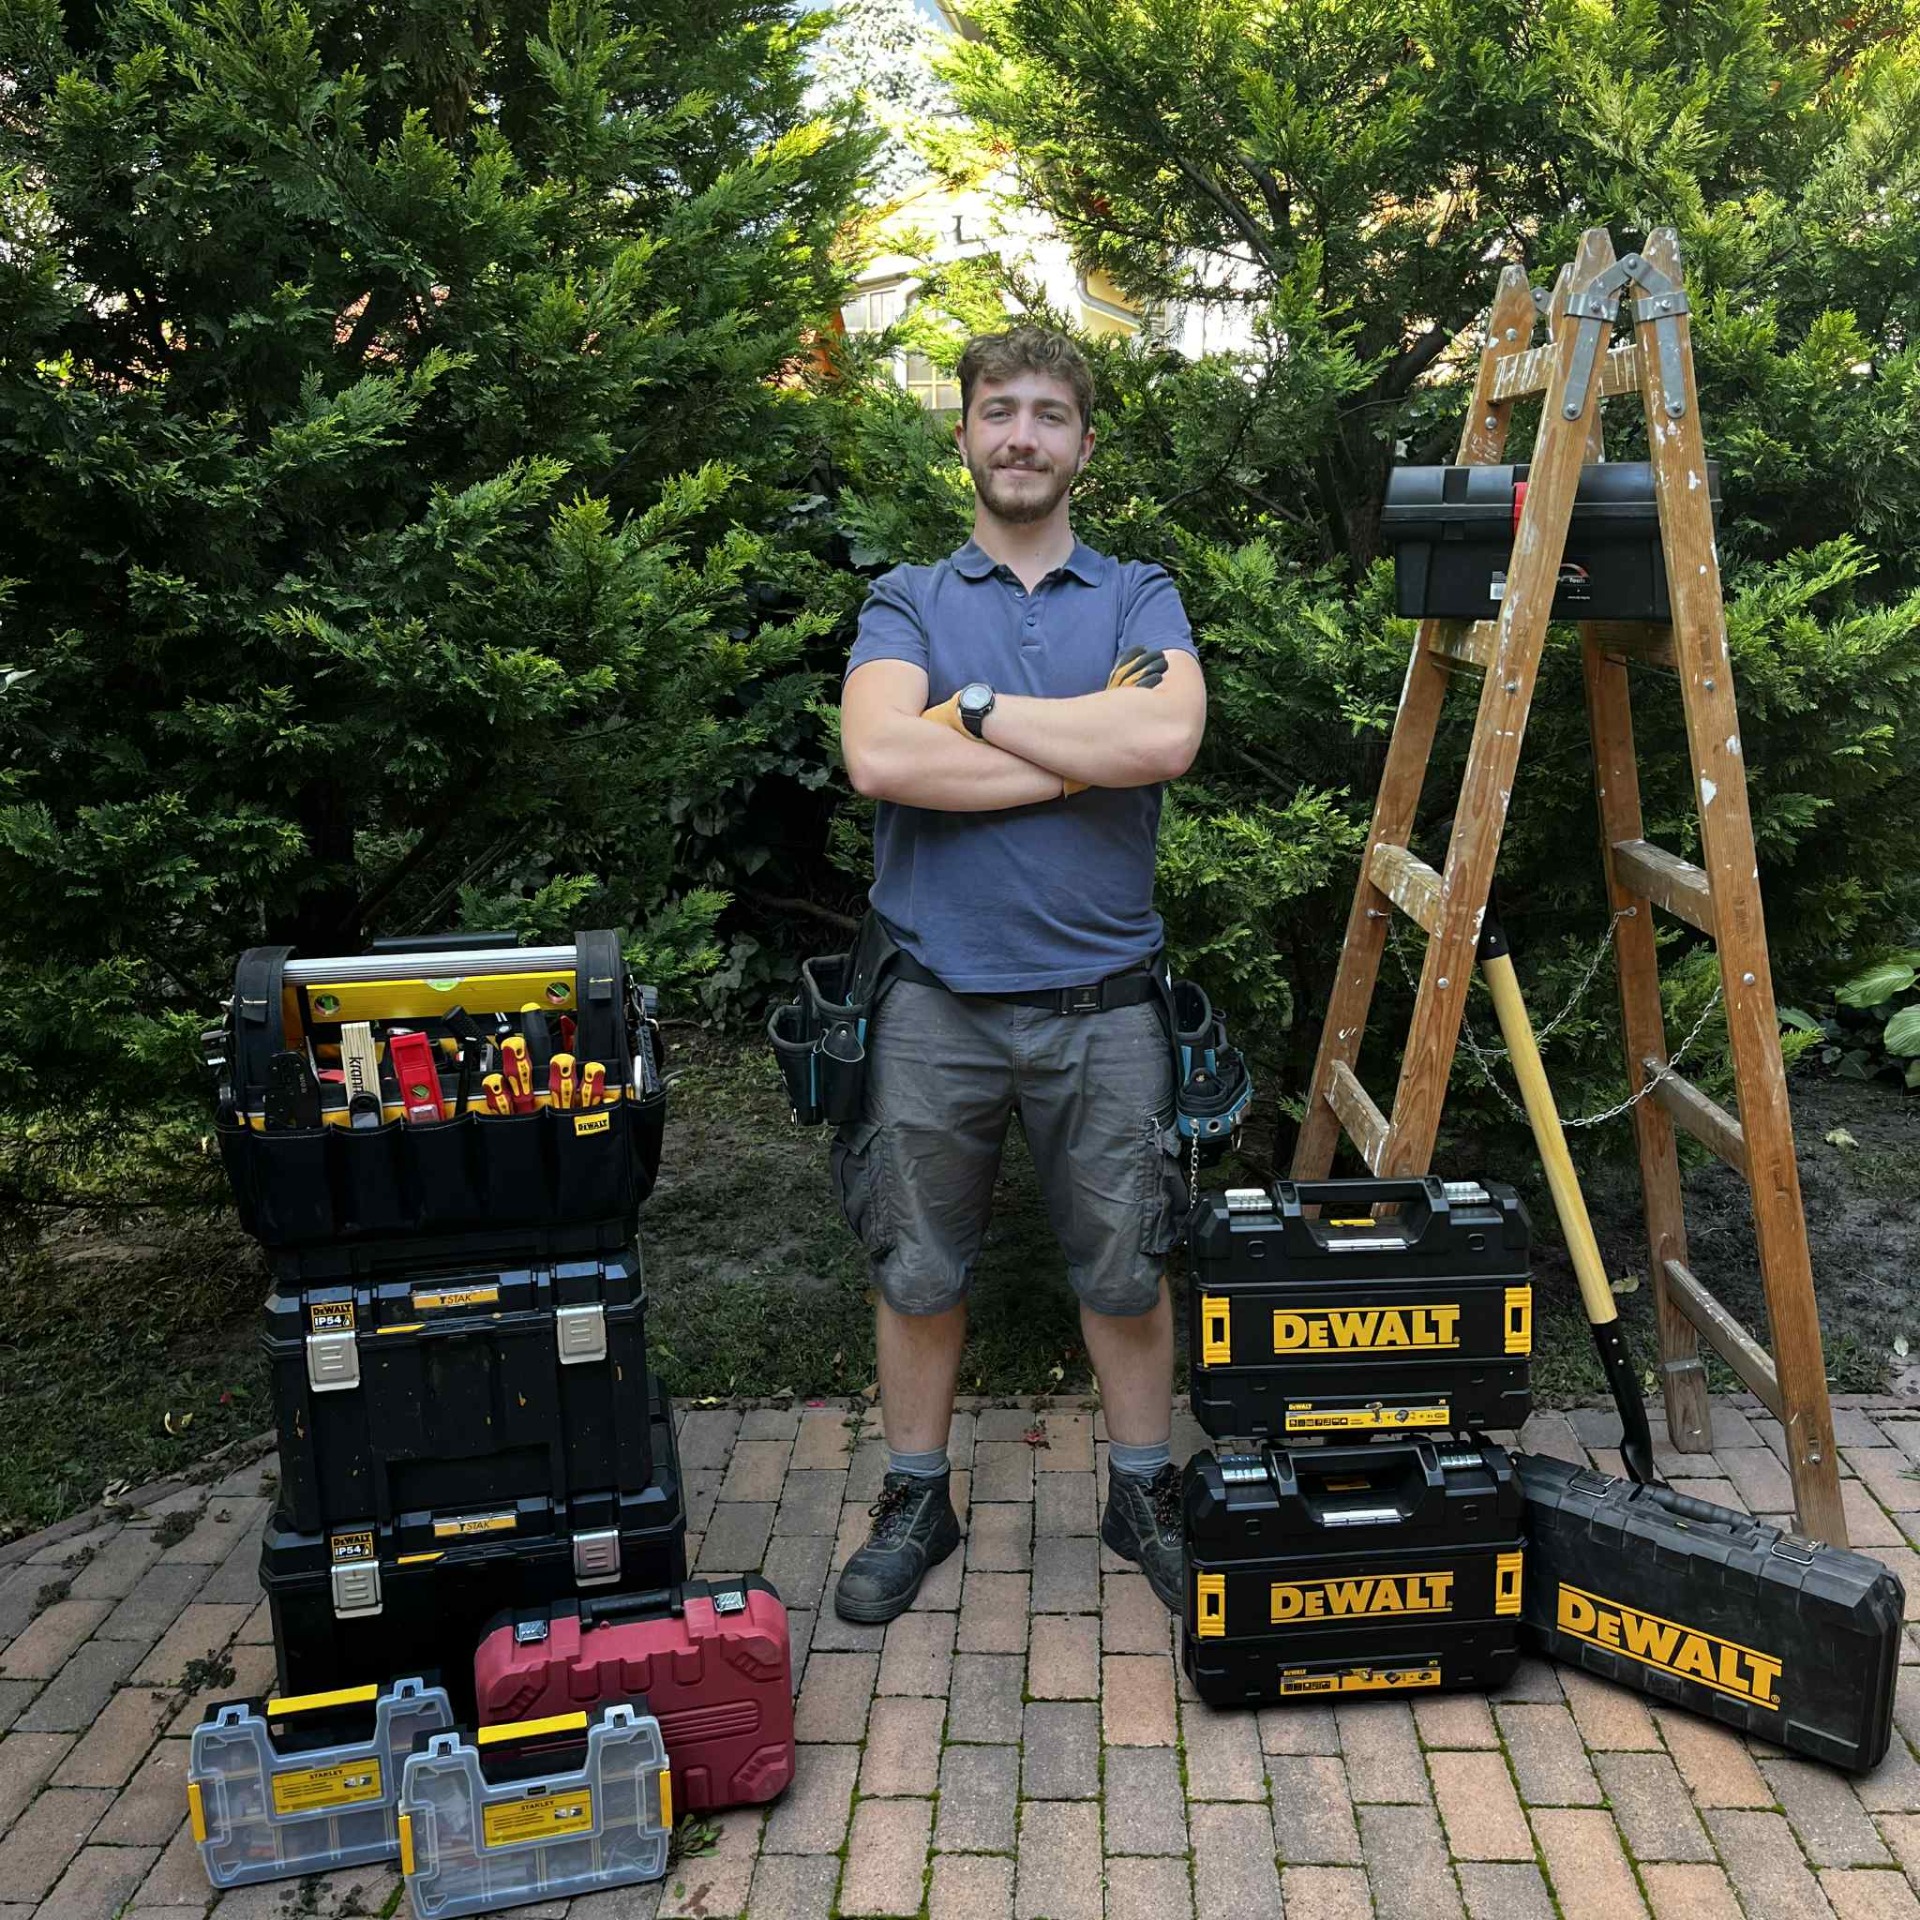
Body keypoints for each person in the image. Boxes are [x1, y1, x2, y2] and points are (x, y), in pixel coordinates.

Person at [830, 324, 1207, 1623]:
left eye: (1049, 414)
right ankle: (915, 1496)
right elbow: (883, 758)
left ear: (1083, 445)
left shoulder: (1138, 594)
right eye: (1001, 411)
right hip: (931, 1002)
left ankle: (1143, 1489)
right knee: (915, 1268)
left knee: (1129, 1267)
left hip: (1108, 1004)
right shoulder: (908, 600)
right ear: (965, 436)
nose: (1023, 436)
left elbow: (1165, 736)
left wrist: (979, 712)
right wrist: (1078, 756)